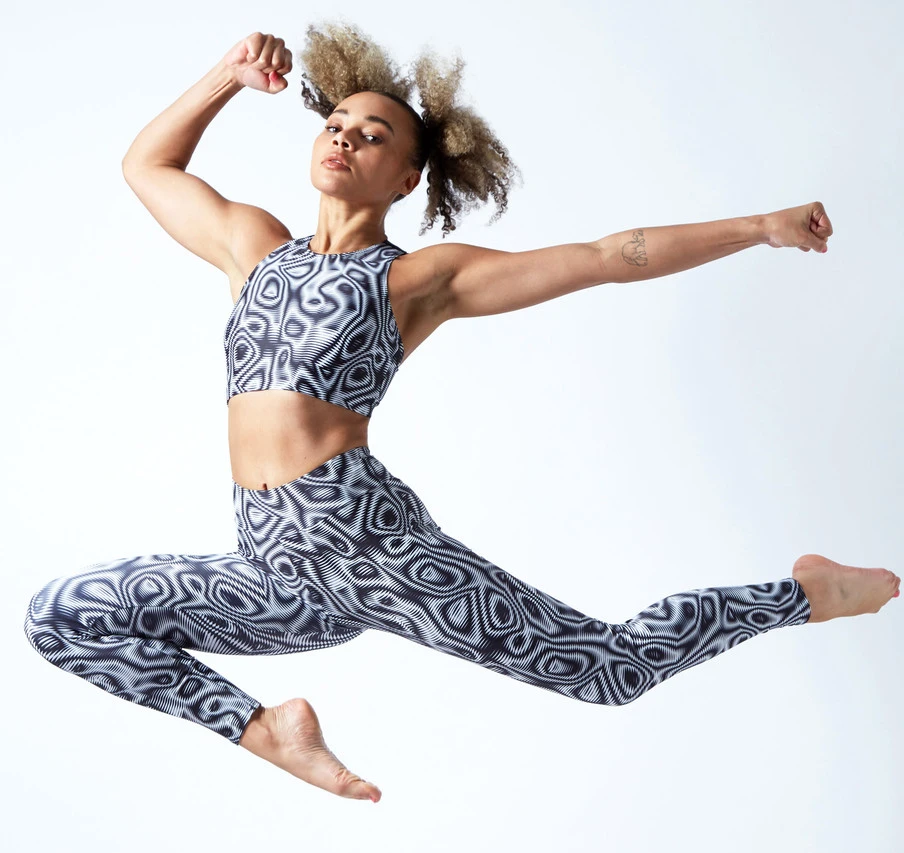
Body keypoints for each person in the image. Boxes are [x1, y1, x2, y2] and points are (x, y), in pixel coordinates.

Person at [23, 24, 899, 804]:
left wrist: (760, 226)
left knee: (607, 671)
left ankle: (809, 594)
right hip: (276, 568)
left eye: (374, 135)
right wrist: (227, 76)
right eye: (337, 123)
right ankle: (267, 733)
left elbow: (606, 256)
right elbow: (148, 168)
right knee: (61, 618)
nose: (346, 137)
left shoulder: (416, 280)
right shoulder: (253, 249)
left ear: (407, 178)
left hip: (363, 543)